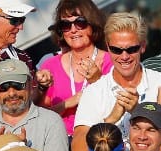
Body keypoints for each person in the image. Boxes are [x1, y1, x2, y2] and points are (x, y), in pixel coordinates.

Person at [70, 12, 161, 151]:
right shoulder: (94, 91)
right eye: (117, 50)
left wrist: (138, 112)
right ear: (108, 48)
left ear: (143, 47)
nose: (124, 56)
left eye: (131, 49)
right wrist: (110, 120)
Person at [40, 0, 113, 137]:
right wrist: (68, 103)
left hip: (100, 139)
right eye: (65, 24)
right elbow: (40, 118)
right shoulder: (50, 66)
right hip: (61, 142)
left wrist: (98, 82)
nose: (73, 30)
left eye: (80, 22)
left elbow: (117, 107)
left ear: (93, 23)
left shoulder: (110, 61)